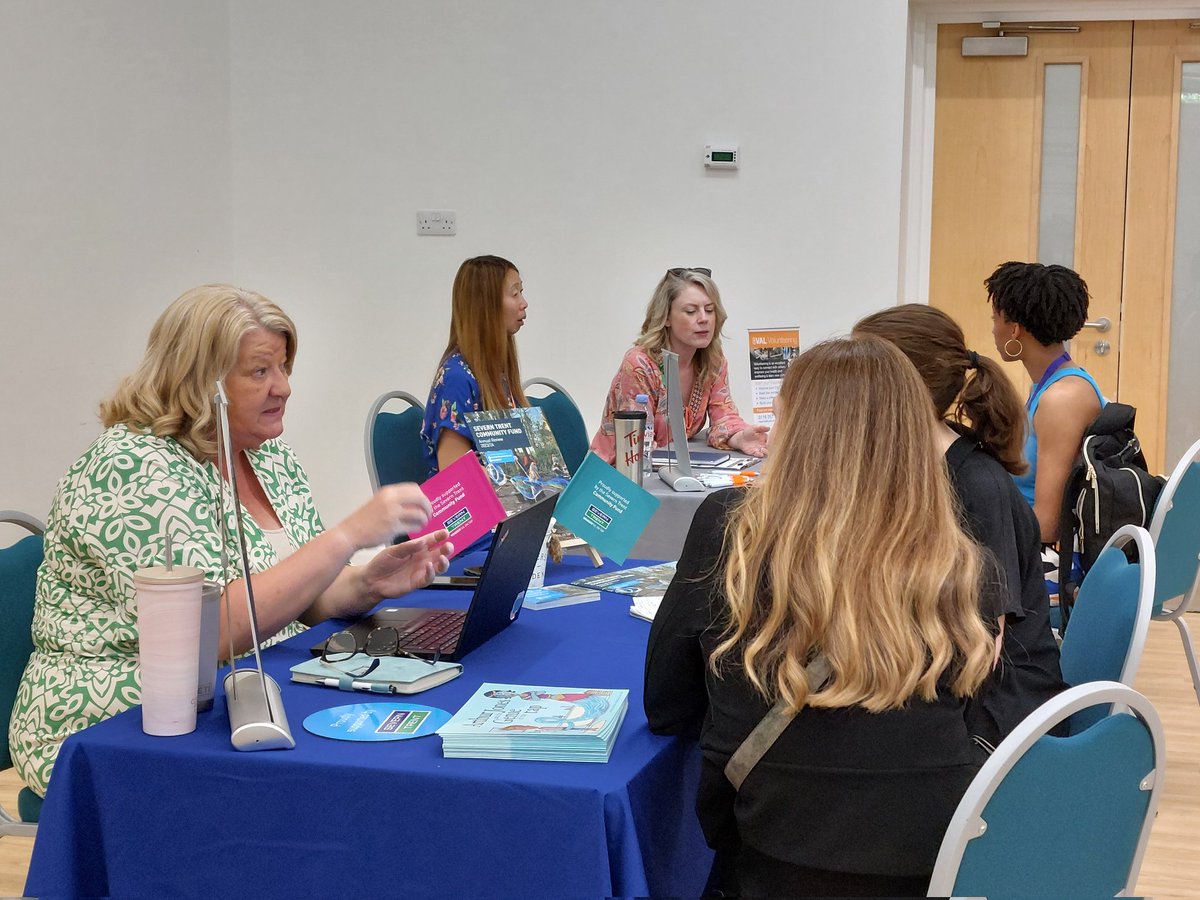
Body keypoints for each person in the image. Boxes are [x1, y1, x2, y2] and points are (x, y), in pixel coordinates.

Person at [9, 284, 453, 799]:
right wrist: (349, 536)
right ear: (200, 380)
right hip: (120, 725)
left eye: (284, 367)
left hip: (245, 695)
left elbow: (302, 599)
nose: (283, 387)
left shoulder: (265, 454)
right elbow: (209, 633)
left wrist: (366, 583)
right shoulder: (130, 468)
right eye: (260, 371)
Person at [645, 336, 994, 897]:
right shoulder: (959, 559)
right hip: (935, 856)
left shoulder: (730, 529)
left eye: (778, 419)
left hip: (769, 850)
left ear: (799, 436)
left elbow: (666, 705)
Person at [854, 304, 1065, 748]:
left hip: (996, 709)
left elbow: (981, 646)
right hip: (943, 680)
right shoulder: (914, 465)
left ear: (896, 389)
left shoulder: (975, 484)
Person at [589, 268, 768, 465]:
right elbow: (638, 445)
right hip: (619, 475)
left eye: (709, 310)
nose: (704, 318)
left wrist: (740, 437)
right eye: (691, 311)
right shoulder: (639, 364)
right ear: (666, 317)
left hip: (670, 469)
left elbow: (724, 416)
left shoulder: (714, 361)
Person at [986, 261, 1104, 545]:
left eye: (994, 320)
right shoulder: (1048, 386)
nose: (993, 331)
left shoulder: (1061, 399)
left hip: (1043, 559)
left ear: (1014, 329)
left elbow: (1048, 525)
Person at [421, 255, 529, 476]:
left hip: (511, 508)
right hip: (476, 509)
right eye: (514, 293)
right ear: (486, 306)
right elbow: (458, 481)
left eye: (522, 292)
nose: (523, 302)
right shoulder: (456, 380)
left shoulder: (497, 373)